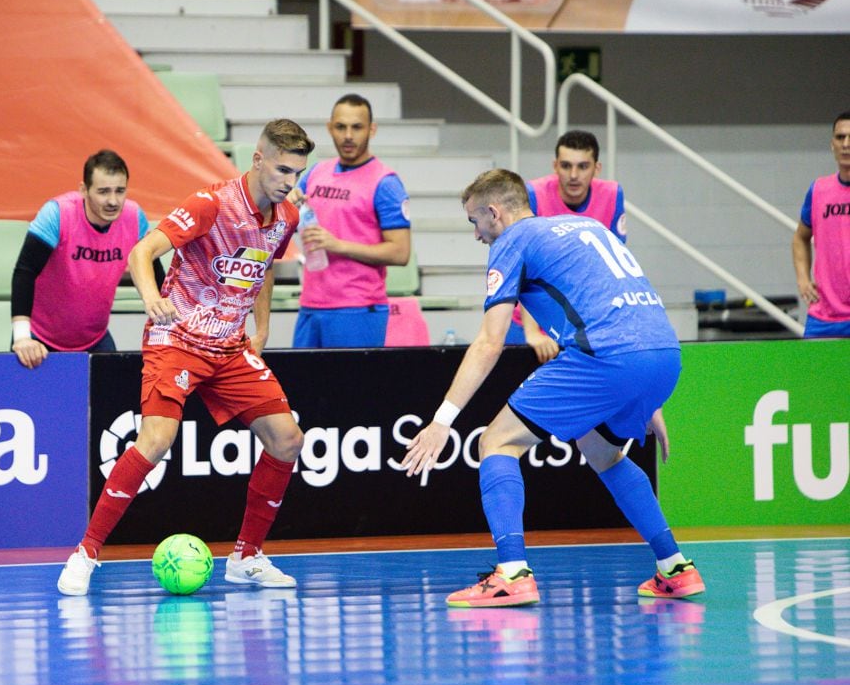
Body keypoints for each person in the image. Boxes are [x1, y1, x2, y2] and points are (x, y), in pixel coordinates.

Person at [401, 169, 704, 608]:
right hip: (662, 352)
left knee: (496, 442)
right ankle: (675, 567)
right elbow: (620, 300)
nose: (476, 235)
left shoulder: (512, 242)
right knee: (602, 451)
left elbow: (491, 341)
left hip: (608, 357)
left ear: (494, 212)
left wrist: (442, 420)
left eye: (474, 222)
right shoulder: (587, 227)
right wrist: (646, 393)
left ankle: (512, 574)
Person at [57, 120, 315, 596]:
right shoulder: (211, 203)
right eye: (281, 169)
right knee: (156, 440)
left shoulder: (286, 218)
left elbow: (261, 268)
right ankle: (87, 552)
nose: (288, 182)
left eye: (296, 174)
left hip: (230, 346)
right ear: (258, 160)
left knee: (287, 439)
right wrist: (153, 297)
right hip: (176, 337)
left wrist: (261, 327)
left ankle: (247, 556)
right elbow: (142, 251)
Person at [11, 149, 154, 368]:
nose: (113, 201)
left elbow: (155, 276)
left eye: (120, 191)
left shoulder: (134, 218)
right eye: (103, 192)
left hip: (95, 340)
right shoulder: (57, 213)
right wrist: (22, 337)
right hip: (39, 340)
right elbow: (25, 271)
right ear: (84, 190)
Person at [289, 93, 412, 348]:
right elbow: (286, 218)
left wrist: (338, 245)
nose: (348, 135)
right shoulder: (314, 173)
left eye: (356, 127)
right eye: (341, 127)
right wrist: (285, 203)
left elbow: (400, 253)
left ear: (372, 129)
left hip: (358, 308)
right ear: (329, 128)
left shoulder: (386, 183)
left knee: (353, 388)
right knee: (301, 387)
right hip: (310, 305)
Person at [512, 130, 627, 363]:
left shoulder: (613, 194)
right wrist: (532, 333)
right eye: (566, 166)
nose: (574, 175)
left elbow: (612, 270)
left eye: (583, 166)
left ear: (597, 168)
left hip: (583, 321)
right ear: (555, 166)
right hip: (530, 318)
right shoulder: (533, 194)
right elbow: (526, 270)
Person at [791, 110, 850, 338]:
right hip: (823, 318)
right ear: (832, 145)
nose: (846, 144)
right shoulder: (818, 191)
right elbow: (800, 237)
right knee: (814, 375)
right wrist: (803, 279)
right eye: (840, 137)